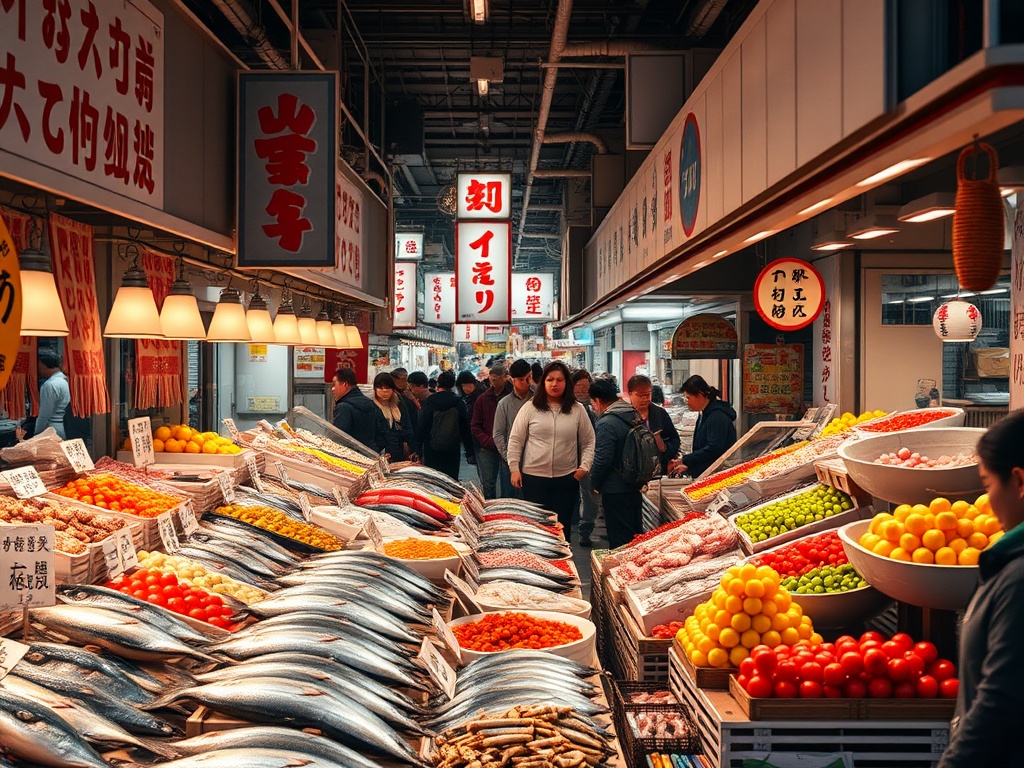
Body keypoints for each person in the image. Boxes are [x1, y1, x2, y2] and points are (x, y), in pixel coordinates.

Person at [938, 412, 1024, 766]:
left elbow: (1000, 699)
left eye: (988, 484)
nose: (987, 501)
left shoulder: (1018, 578)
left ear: (1018, 481)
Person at [506, 361, 595, 536]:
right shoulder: (530, 408)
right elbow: (516, 440)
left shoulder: (577, 410)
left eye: (560, 380)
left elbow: (589, 441)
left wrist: (584, 467)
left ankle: (563, 562)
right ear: (543, 382)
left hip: (567, 479)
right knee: (537, 530)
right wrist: (514, 468)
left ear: (566, 383)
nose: (555, 384)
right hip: (533, 479)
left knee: (563, 528)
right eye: (550, 380)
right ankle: (538, 563)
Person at [588, 378, 645, 548]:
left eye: (593, 403)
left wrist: (594, 482)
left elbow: (603, 458)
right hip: (634, 485)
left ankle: (622, 572)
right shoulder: (632, 414)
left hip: (615, 489)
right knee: (635, 538)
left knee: (620, 541)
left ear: (597, 401)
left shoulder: (606, 423)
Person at [668, 375, 737, 479]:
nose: (686, 402)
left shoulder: (717, 417)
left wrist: (686, 460)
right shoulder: (704, 414)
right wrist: (689, 466)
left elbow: (714, 450)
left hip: (717, 476)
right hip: (706, 473)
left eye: (688, 398)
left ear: (700, 395)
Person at [418, 370, 472, 480]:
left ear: (438, 384)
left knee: (433, 480)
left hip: (431, 448)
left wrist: (417, 449)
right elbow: (465, 428)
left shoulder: (430, 401)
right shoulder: (458, 402)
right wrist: (469, 452)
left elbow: (422, 426)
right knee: (451, 480)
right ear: (453, 384)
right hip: (452, 449)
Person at [492, 359, 535, 498]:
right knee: (510, 501)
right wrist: (509, 458)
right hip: (510, 462)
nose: (525, 382)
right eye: (521, 379)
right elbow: (498, 434)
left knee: (533, 501)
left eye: (528, 378)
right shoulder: (504, 404)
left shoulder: (540, 400)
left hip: (536, 462)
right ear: (512, 380)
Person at [470, 364, 512, 499]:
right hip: (487, 446)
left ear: (506, 378)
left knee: (509, 484)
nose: (494, 382)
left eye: (497, 379)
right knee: (488, 483)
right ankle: (490, 512)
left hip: (508, 446)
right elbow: (475, 424)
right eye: (492, 379)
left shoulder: (512, 397)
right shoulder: (483, 398)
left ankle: (507, 511)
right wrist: (487, 440)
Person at [571, 368, 602, 547]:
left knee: (589, 494)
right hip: (567, 459)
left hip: (588, 460)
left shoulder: (594, 407)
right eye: (579, 386)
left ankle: (585, 530)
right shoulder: (568, 407)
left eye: (586, 386)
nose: (583, 390)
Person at [627, 374, 681, 475]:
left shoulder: (660, 413)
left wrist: (664, 447)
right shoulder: (624, 415)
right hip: (632, 471)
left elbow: (675, 440)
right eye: (640, 395)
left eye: (647, 395)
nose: (644, 399)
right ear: (630, 394)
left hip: (659, 470)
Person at [331, 367, 383, 451]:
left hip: (351, 457)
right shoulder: (371, 403)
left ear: (345, 385)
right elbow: (381, 433)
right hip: (373, 454)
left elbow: (339, 439)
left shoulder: (344, 407)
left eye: (334, 384)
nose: (332, 389)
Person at [23, 351, 70, 440]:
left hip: (49, 429)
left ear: (43, 365)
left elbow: (44, 415)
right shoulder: (65, 381)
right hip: (62, 427)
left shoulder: (49, 385)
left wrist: (37, 434)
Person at [370, 372, 417, 462]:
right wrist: (378, 452)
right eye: (380, 388)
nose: (384, 391)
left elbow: (408, 427)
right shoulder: (371, 407)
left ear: (393, 389)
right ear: (375, 389)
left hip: (401, 453)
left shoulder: (400, 404)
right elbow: (370, 435)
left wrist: (412, 449)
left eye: (387, 388)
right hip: (381, 455)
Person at [456, 371, 483, 465]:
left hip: (482, 439)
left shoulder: (481, 396)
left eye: (468, 385)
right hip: (472, 439)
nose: (466, 388)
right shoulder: (465, 399)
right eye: (463, 386)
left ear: (473, 383)